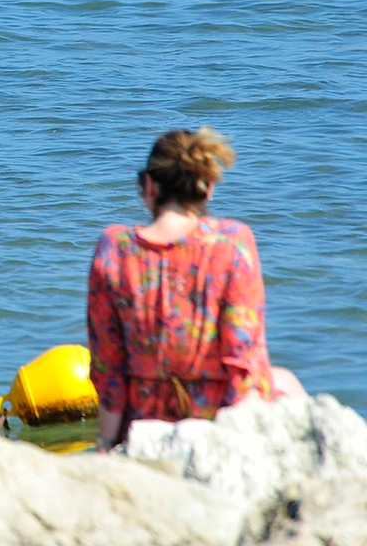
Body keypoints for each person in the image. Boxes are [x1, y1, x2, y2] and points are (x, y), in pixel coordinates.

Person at [87, 126, 307, 451]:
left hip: (142, 422)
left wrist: (108, 441)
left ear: (149, 186)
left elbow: (109, 368)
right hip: (215, 420)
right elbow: (243, 358)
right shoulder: (232, 243)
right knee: (285, 380)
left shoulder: (114, 248)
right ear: (208, 189)